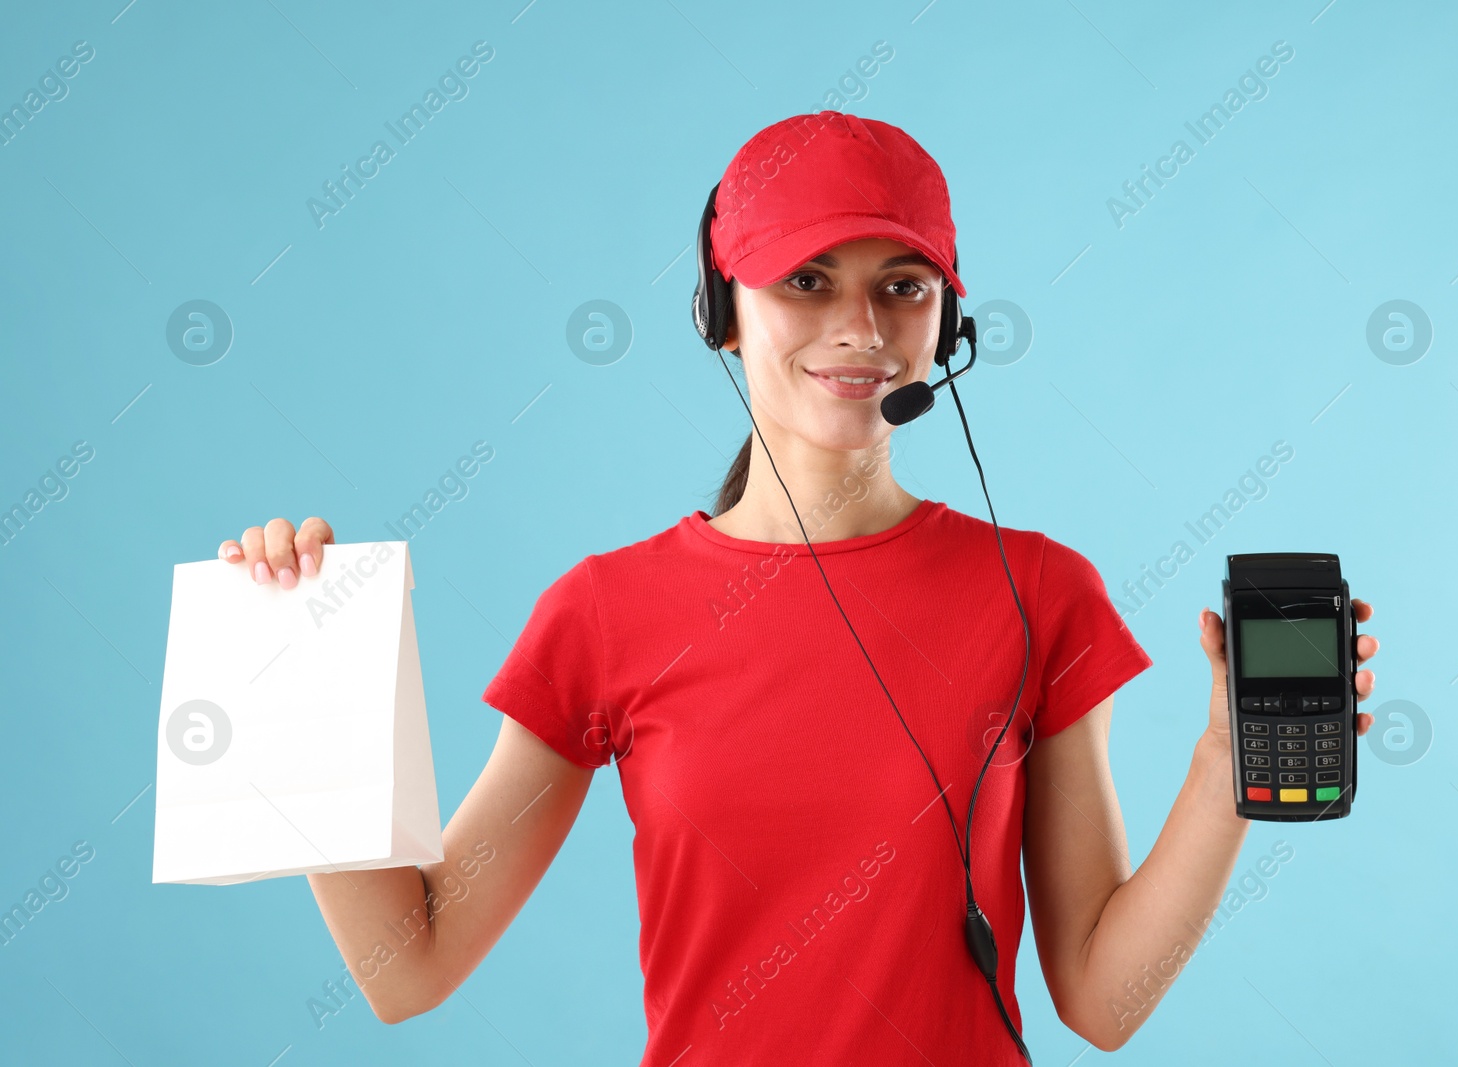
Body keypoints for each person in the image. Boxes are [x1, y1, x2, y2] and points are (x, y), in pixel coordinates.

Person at [216, 112, 1380, 1063]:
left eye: (903, 286)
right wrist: (301, 687)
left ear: (949, 322)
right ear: (723, 314)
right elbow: (408, 966)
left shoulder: (1040, 591)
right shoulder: (605, 613)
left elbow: (1099, 999)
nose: (859, 328)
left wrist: (1228, 764)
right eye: (808, 280)